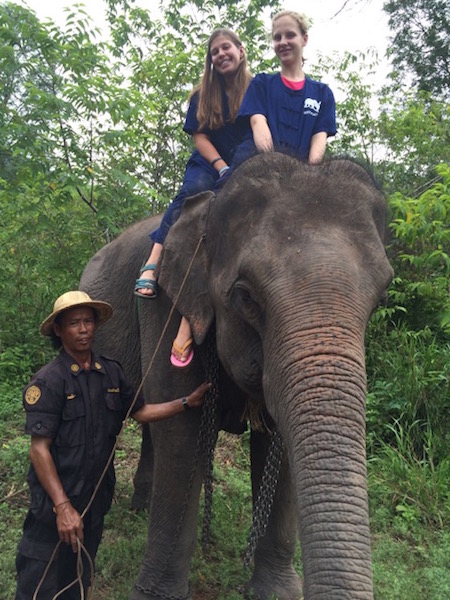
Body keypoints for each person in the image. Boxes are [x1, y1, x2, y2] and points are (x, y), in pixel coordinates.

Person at [15, 290, 210, 600]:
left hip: (94, 500)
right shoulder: (49, 381)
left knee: (77, 580)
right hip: (53, 506)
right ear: (59, 330)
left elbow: (140, 412)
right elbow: (39, 449)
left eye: (89, 322)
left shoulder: (111, 372)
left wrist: (186, 402)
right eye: (74, 323)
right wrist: (62, 507)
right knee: (39, 583)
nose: (83, 330)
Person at [134, 28, 252, 367]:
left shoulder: (256, 91)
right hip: (208, 160)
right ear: (210, 60)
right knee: (192, 195)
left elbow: (257, 132)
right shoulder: (202, 95)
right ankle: (154, 260)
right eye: (214, 51)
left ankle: (190, 319)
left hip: (244, 162)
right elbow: (199, 137)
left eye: (226, 47)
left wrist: (238, 170)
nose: (221, 54)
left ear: (240, 51)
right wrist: (220, 167)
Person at [217, 9, 337, 189]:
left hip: (301, 173)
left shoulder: (322, 94)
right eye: (277, 37)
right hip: (256, 167)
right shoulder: (261, 84)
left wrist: (309, 177)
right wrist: (275, 169)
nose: (283, 42)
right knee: (219, 202)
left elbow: (318, 143)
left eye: (290, 35)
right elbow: (258, 123)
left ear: (304, 39)